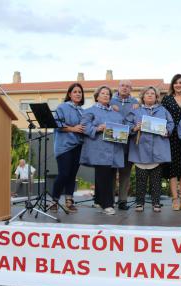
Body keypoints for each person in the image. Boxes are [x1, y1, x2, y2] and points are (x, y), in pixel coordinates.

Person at [126, 86, 174, 213]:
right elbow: (127, 125)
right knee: (140, 179)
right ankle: (139, 203)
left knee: (156, 180)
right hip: (140, 149)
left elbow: (170, 123)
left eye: (152, 93)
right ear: (143, 96)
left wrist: (167, 131)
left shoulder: (163, 110)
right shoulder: (136, 111)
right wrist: (135, 128)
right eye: (147, 93)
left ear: (156, 97)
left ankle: (156, 203)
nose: (150, 95)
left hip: (157, 149)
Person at [81, 85, 125, 215]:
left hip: (114, 150)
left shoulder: (116, 114)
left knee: (109, 176)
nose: (106, 95)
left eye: (108, 94)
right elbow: (84, 127)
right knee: (103, 176)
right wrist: (97, 129)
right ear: (97, 96)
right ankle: (107, 205)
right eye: (103, 93)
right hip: (98, 149)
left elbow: (122, 129)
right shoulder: (90, 111)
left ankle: (99, 201)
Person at [49, 83, 85, 213]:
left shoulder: (83, 111)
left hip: (78, 145)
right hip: (64, 147)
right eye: (75, 92)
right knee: (64, 174)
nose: (77, 94)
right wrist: (73, 128)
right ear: (69, 94)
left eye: (80, 92)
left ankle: (69, 201)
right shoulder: (62, 107)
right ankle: (54, 200)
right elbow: (57, 124)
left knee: (72, 175)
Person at [161, 74, 181, 211]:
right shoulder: (167, 99)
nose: (178, 85)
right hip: (171, 137)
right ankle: (174, 199)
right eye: (176, 83)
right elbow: (161, 117)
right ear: (172, 85)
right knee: (173, 170)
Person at [110, 80, 139, 210]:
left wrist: (139, 109)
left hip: (128, 143)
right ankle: (108, 200)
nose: (125, 88)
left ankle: (122, 201)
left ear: (131, 89)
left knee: (125, 173)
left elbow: (138, 120)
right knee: (110, 173)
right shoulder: (109, 101)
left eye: (128, 86)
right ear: (118, 87)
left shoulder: (136, 104)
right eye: (122, 85)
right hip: (112, 143)